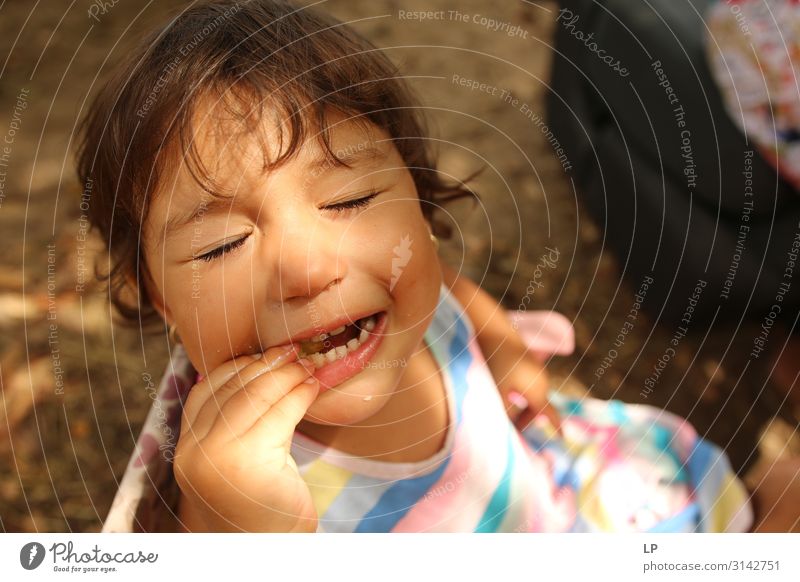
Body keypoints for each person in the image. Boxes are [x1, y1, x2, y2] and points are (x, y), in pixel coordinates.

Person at [77, 0, 758, 533]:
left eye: (349, 198)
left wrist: (500, 346)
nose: (309, 270)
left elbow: (450, 295)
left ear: (416, 199)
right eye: (221, 244)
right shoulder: (236, 497)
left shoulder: (396, 300)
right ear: (159, 298)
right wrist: (238, 533)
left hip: (561, 501)